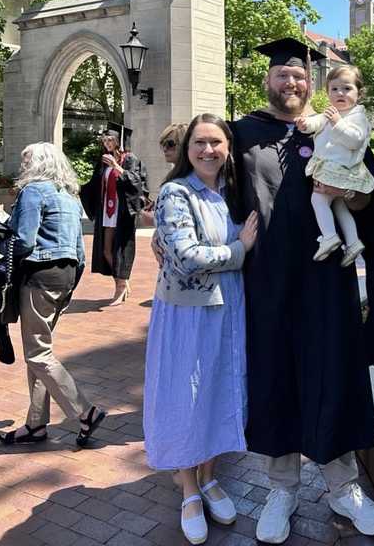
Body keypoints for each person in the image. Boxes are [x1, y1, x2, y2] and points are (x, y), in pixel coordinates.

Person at [231, 37, 374, 543]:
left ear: (310, 81)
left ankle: (343, 487)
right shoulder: (243, 134)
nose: (291, 81)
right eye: (283, 74)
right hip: (270, 280)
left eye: (300, 75)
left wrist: (353, 193)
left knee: (333, 372)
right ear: (268, 80)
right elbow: (207, 184)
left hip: (326, 278)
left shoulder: (338, 128)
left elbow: (373, 196)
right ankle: (282, 488)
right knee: (276, 376)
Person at [144, 114, 258, 544]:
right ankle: (189, 489)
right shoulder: (176, 192)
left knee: (217, 391)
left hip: (229, 309)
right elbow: (187, 255)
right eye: (199, 143)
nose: (207, 150)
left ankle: (209, 477)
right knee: (188, 396)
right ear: (187, 148)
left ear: (228, 147)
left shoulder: (230, 193)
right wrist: (238, 249)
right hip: (190, 315)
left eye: (216, 142)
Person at [0, 143, 106, 448]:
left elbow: (24, 241)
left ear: (38, 163)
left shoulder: (34, 190)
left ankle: (85, 412)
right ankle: (35, 425)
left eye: (26, 160)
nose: (23, 166)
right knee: (40, 348)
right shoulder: (68, 196)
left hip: (40, 276)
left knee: (37, 353)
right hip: (65, 277)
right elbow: (80, 250)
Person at [295, 65, 374, 266]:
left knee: (318, 200)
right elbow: (316, 123)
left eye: (347, 88)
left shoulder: (357, 116)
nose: (340, 93)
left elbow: (355, 140)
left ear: (359, 93)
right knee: (339, 207)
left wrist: (338, 122)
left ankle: (329, 236)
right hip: (333, 170)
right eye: (335, 89)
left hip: (340, 170)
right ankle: (353, 242)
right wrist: (305, 125)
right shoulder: (331, 113)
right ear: (328, 92)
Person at [80, 124, 147, 305]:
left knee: (120, 250)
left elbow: (137, 183)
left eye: (110, 139)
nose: (106, 143)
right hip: (106, 212)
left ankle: (120, 288)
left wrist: (117, 167)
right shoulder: (103, 160)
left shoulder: (130, 159)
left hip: (123, 211)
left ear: (118, 141)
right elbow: (94, 184)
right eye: (104, 140)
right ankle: (122, 282)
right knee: (106, 250)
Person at [140, 123, 189, 228]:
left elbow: (181, 224)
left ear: (184, 145)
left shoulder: (184, 181)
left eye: (170, 144)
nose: (165, 149)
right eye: (163, 144)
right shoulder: (177, 176)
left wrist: (154, 219)